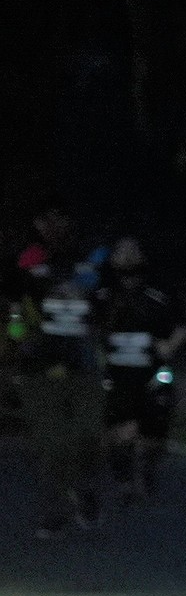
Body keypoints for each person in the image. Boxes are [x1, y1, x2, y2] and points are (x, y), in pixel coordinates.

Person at [11, 209, 105, 538]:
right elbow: (15, 314)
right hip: (41, 369)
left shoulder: (90, 266)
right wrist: (21, 338)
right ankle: (55, 511)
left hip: (84, 366)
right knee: (52, 443)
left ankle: (83, 488)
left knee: (88, 435)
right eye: (45, 220)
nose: (52, 227)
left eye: (60, 220)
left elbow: (107, 313)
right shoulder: (27, 264)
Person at [99, 236, 186, 502]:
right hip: (117, 375)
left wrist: (170, 345)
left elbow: (184, 324)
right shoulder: (104, 295)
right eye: (121, 252)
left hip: (154, 374)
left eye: (132, 251)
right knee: (119, 432)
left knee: (154, 435)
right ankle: (124, 480)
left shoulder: (158, 294)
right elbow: (90, 327)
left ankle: (146, 472)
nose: (127, 257)